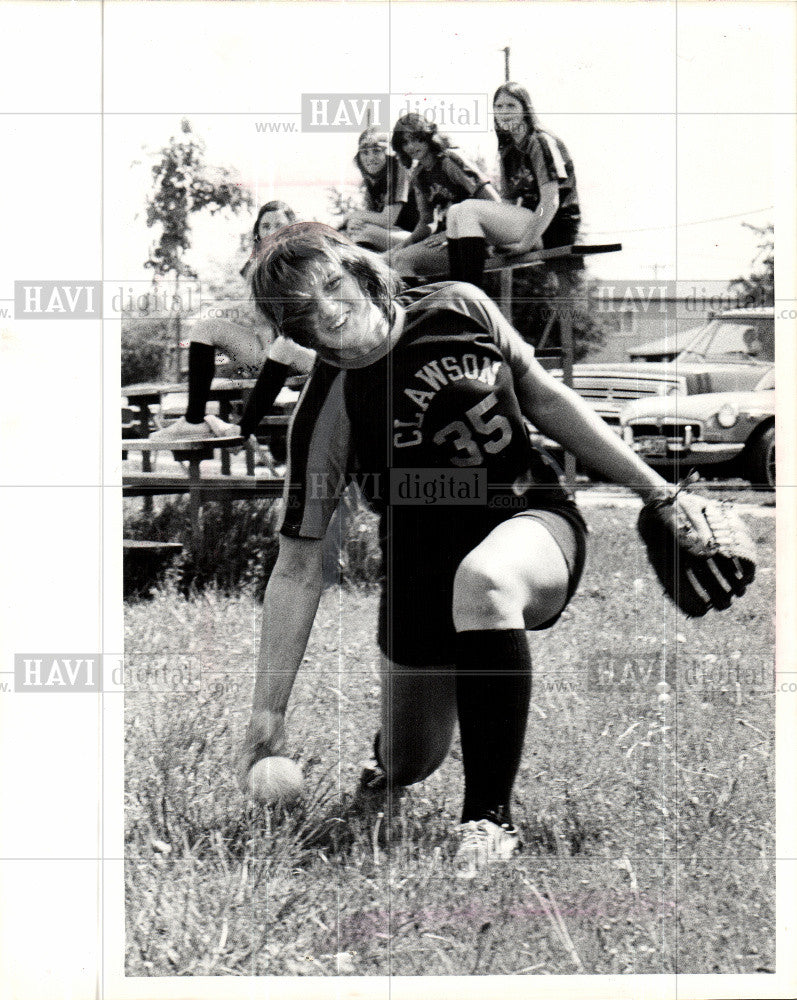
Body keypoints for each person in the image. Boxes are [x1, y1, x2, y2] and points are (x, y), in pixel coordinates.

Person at [237, 223, 676, 873]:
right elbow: (300, 566)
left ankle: (487, 822)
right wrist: (268, 710)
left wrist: (657, 492)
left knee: (486, 579)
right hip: (417, 569)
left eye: (332, 285)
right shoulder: (326, 403)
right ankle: (385, 764)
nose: (329, 311)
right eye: (304, 310)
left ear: (359, 272)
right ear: (293, 331)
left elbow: (543, 397)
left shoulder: (460, 305)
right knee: (414, 758)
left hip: (530, 520)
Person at [150, 200, 314, 442]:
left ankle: (242, 430)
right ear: (258, 231)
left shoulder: (302, 261)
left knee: (285, 345)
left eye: (279, 224)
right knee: (206, 328)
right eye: (265, 225)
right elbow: (259, 317)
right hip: (265, 350)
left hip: (303, 350)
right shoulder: (255, 265)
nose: (272, 230)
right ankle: (194, 420)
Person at [445, 82, 581, 289]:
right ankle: (458, 295)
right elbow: (507, 201)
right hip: (529, 222)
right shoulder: (509, 147)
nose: (503, 112)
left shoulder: (539, 141)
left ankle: (471, 298)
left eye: (511, 106)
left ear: (525, 109)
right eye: (498, 107)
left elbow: (551, 201)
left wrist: (525, 243)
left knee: (469, 209)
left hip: (554, 226)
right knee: (455, 211)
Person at [387, 114, 500, 279]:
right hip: (453, 239)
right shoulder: (419, 175)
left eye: (416, 138)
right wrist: (405, 244)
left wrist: (453, 234)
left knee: (403, 260)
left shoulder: (450, 160)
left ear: (428, 136)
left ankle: (412, 304)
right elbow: (427, 222)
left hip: (480, 240)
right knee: (395, 258)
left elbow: (494, 202)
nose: (411, 146)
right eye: (405, 142)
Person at [341, 127, 418, 252]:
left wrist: (351, 216)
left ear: (388, 153)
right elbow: (371, 215)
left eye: (376, 151)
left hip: (415, 237)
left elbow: (387, 219)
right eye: (365, 152)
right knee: (346, 234)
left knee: (364, 232)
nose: (370, 158)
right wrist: (354, 222)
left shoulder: (398, 169)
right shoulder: (372, 177)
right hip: (392, 233)